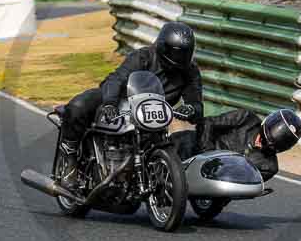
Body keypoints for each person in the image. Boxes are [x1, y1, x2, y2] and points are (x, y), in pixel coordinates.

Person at [59, 22, 203, 190]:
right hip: (120, 100)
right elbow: (117, 79)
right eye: (176, 53)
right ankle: (70, 159)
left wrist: (191, 109)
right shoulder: (143, 57)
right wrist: (110, 103)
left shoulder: (190, 70)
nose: (180, 58)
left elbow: (197, 103)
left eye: (185, 53)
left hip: (151, 117)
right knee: (78, 106)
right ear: (163, 47)